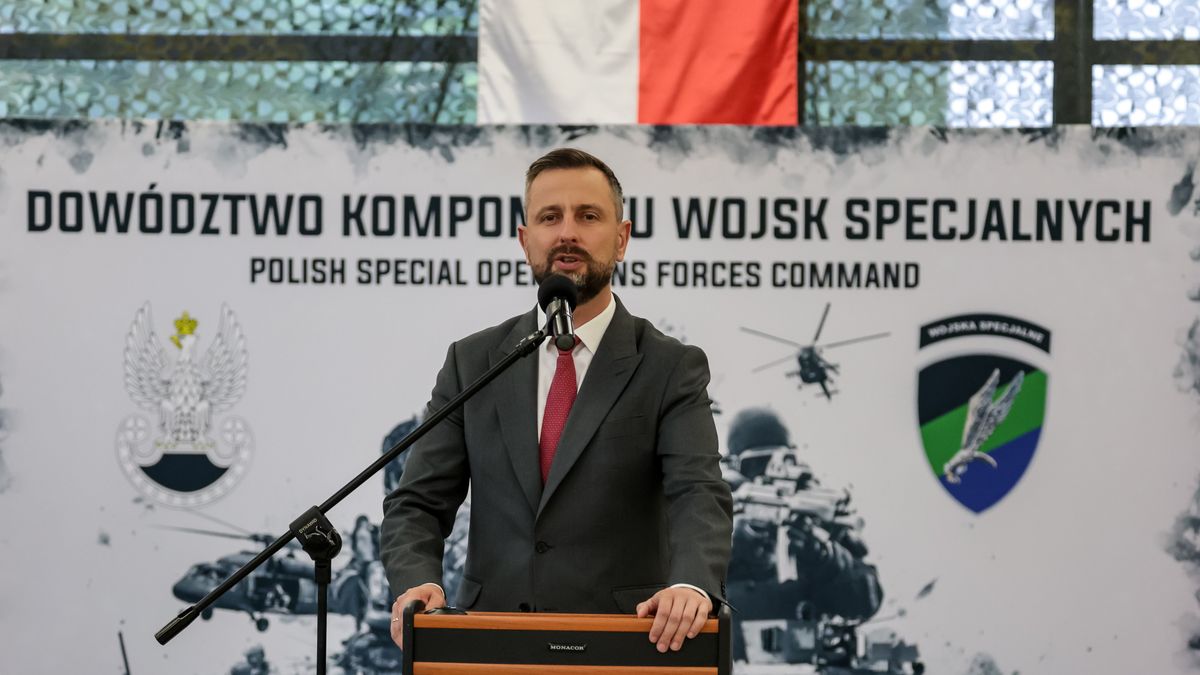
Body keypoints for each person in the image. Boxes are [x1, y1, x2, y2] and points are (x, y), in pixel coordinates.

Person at [380, 148, 732, 655]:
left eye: (588, 216)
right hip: (490, 648)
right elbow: (417, 502)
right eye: (550, 217)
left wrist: (692, 583)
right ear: (526, 241)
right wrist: (416, 581)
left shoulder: (669, 367)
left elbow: (699, 492)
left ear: (622, 238)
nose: (567, 232)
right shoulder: (473, 361)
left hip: (627, 646)